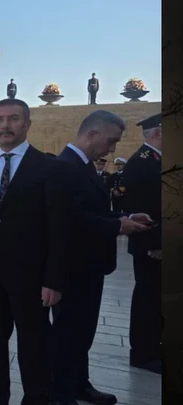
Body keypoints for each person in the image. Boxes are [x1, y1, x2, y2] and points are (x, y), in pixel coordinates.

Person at [0, 98, 67, 405]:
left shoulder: (48, 168)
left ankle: (36, 398)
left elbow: (59, 229)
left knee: (33, 344)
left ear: (27, 123)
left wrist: (54, 280)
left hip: (32, 277)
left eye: (13, 119)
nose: (5, 126)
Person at [51, 111, 151, 405]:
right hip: (73, 267)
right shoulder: (64, 167)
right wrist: (119, 226)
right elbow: (72, 220)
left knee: (82, 332)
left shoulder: (82, 166)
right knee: (69, 334)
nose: (112, 149)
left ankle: (79, 383)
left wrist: (126, 216)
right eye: (111, 141)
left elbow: (93, 210)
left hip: (89, 266)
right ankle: (61, 393)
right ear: (92, 135)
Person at [122, 113, 163, 374]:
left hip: (159, 243)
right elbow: (142, 207)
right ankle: (143, 352)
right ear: (158, 132)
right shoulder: (142, 162)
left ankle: (154, 346)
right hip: (151, 245)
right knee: (148, 297)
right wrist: (155, 243)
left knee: (157, 297)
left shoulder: (156, 160)